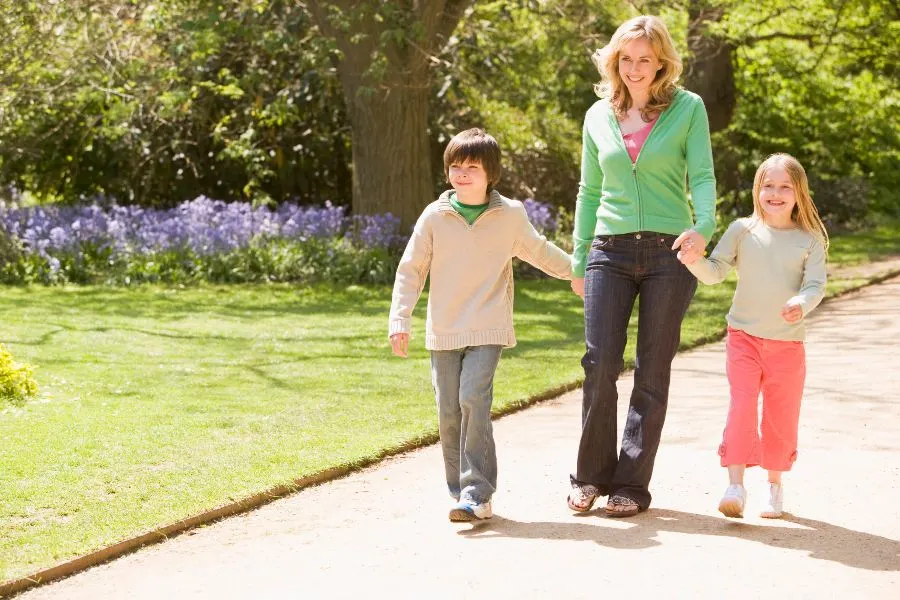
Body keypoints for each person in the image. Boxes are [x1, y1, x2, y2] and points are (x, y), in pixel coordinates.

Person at [567, 14, 716, 518]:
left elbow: (701, 175)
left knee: (652, 370)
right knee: (600, 363)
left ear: (662, 63)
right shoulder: (596, 116)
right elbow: (589, 191)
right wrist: (577, 255)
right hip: (607, 251)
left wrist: (704, 227)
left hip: (668, 253)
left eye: (645, 60)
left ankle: (630, 485)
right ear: (614, 61)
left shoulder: (688, 108)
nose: (634, 68)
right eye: (626, 59)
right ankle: (589, 476)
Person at [388, 128, 573, 522]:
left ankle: (477, 492)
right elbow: (411, 270)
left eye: (471, 167)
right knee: (448, 410)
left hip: (488, 326)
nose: (462, 174)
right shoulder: (434, 216)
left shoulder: (510, 216)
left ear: (491, 173)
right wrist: (399, 318)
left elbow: (540, 252)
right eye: (456, 166)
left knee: (473, 398)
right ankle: (461, 493)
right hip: (444, 330)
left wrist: (580, 272)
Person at [679, 153, 828, 519]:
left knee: (780, 414)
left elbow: (816, 285)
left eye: (784, 187)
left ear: (799, 193)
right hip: (743, 336)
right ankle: (735, 485)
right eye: (768, 185)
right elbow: (714, 272)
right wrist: (692, 259)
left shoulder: (810, 239)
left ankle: (774, 488)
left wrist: (801, 302)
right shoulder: (741, 230)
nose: (775, 193)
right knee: (742, 406)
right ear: (757, 189)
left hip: (787, 343)